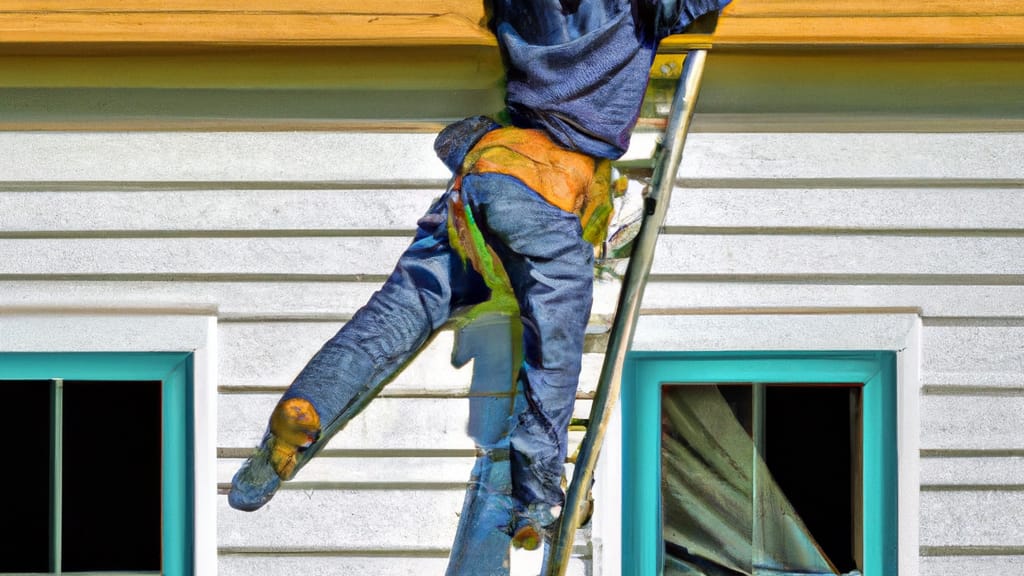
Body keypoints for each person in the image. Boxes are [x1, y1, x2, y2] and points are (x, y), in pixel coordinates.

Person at [230, 0, 730, 551]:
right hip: (551, 190)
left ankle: (306, 411)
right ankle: (537, 498)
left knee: (401, 310)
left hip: (487, 171)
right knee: (553, 354)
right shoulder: (635, 9)